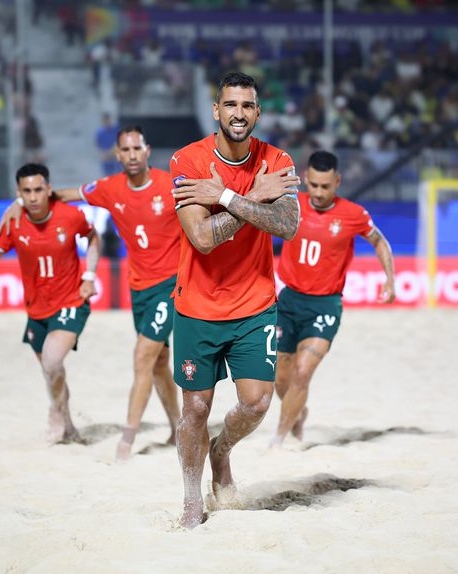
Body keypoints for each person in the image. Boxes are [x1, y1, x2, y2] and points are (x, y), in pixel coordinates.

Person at [0, 127, 181, 461]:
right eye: (124, 150)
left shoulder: (171, 184)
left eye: (136, 148)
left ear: (147, 150)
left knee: (142, 356)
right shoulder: (109, 188)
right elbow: (61, 194)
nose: (131, 155)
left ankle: (126, 441)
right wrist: (16, 202)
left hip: (171, 285)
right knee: (158, 364)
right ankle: (177, 428)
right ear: (118, 155)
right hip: (138, 287)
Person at [169, 71, 301, 528]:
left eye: (247, 106)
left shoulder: (278, 158)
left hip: (255, 303)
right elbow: (202, 238)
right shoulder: (187, 161)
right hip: (197, 306)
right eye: (230, 105)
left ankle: (221, 451)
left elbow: (286, 225)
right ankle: (191, 499)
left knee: (256, 404)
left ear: (258, 112)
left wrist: (225, 195)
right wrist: (252, 198)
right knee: (195, 409)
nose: (239, 113)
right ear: (216, 110)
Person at [270, 151, 396, 448]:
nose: (318, 192)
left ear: (337, 181)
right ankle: (298, 412)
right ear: (306, 179)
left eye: (325, 187)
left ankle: (278, 440)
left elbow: (379, 240)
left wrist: (390, 279)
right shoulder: (291, 204)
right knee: (281, 380)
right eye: (313, 185)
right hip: (287, 302)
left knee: (302, 373)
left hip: (325, 306)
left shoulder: (353, 214)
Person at [0, 163, 101, 444]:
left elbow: (93, 237)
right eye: (26, 191)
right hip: (36, 308)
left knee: (52, 361)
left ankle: (55, 417)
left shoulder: (70, 215)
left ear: (48, 189)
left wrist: (89, 276)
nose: (33, 197)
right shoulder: (14, 222)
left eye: (37, 190)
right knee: (51, 371)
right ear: (19, 193)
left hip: (71, 301)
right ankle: (69, 427)